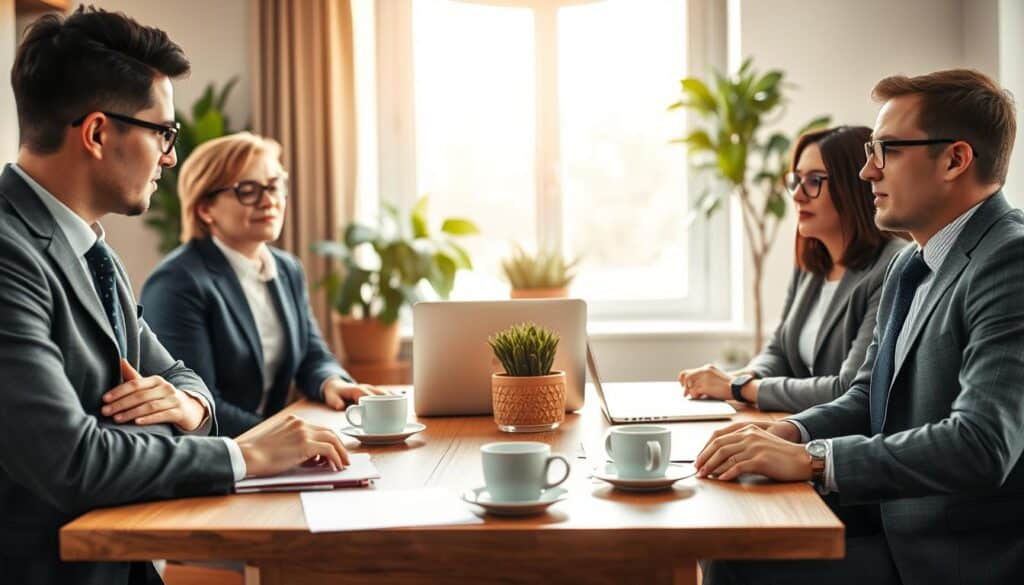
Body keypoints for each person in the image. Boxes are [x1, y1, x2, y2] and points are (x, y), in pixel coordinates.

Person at [0, 8, 350, 584]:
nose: (169, 156)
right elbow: (72, 461)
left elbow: (184, 380)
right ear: (96, 133)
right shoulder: (9, 253)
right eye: (163, 132)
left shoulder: (97, 253)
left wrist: (190, 407)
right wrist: (245, 454)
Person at [698, 69, 1024, 585]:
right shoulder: (911, 262)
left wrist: (812, 459)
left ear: (955, 160)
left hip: (950, 559)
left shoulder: (1010, 259)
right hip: (892, 523)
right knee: (727, 540)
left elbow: (981, 444)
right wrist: (785, 431)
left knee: (740, 563)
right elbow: (867, 394)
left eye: (887, 150)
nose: (868, 172)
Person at [140, 133, 381, 437]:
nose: (268, 200)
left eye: (275, 185)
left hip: (269, 447)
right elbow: (199, 404)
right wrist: (284, 438)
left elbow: (311, 354)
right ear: (205, 209)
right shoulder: (177, 283)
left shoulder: (285, 268)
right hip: (217, 455)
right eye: (248, 190)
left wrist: (332, 382)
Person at [679, 126, 906, 414]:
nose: (797, 195)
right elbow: (780, 351)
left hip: (840, 443)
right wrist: (742, 377)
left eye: (813, 181)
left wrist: (738, 388)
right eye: (795, 180)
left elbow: (848, 389)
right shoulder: (813, 265)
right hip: (793, 424)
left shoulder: (892, 267)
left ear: (854, 186)